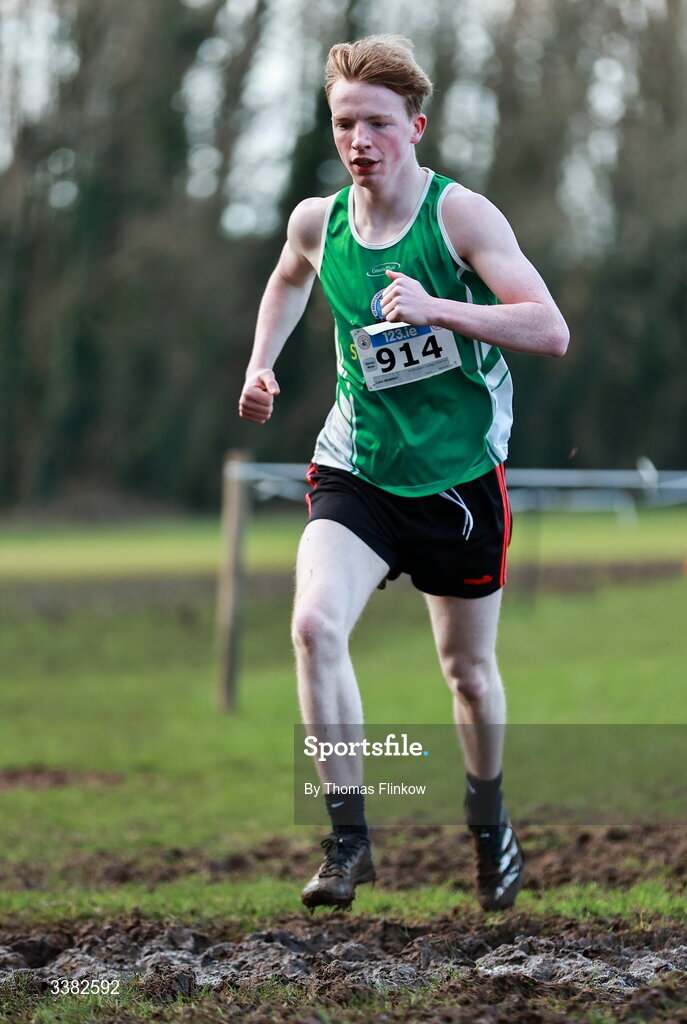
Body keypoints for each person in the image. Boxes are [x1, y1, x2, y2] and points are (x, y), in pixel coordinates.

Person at [239, 35, 569, 913]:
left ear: (414, 127)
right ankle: (348, 839)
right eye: (345, 123)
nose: (360, 141)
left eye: (378, 124)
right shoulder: (318, 221)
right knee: (312, 625)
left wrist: (438, 308)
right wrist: (259, 363)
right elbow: (285, 279)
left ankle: (487, 817)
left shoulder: (460, 218)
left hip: (459, 480)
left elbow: (548, 328)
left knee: (465, 673)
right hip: (358, 469)